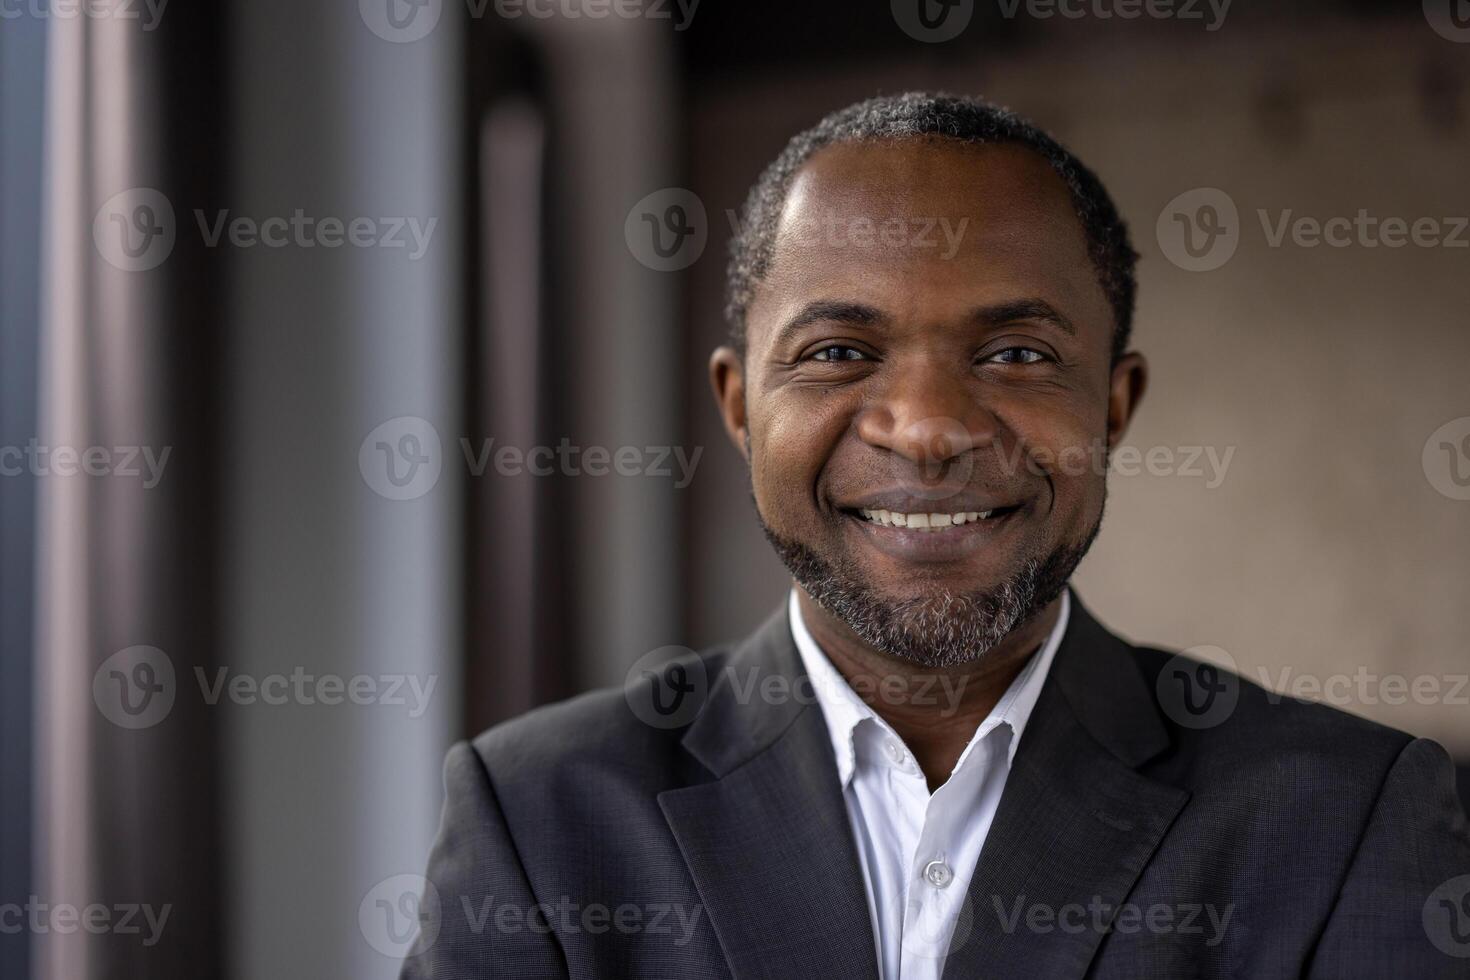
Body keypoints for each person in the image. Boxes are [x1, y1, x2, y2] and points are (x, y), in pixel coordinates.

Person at [401, 92, 1470, 979]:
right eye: (836, 351)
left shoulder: (1346, 817)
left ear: (1114, 404)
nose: (926, 428)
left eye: (1013, 353)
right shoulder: (538, 818)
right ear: (737, 407)